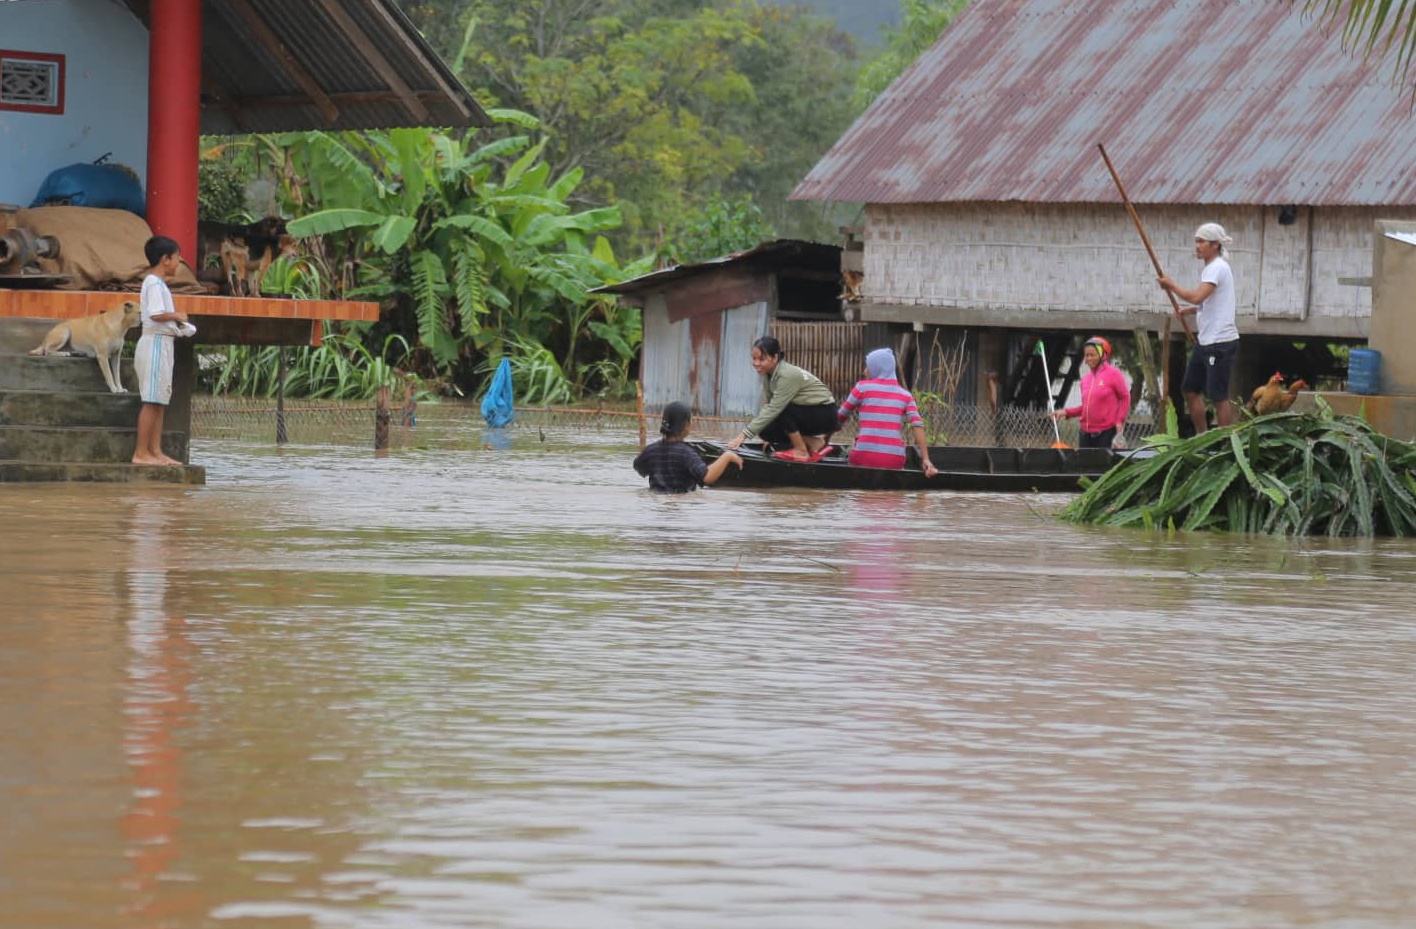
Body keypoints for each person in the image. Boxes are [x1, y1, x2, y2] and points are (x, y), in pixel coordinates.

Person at [1158, 223, 1239, 433]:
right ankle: (1202, 437)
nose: (1197, 246)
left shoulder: (1218, 267)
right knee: (1190, 389)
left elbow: (1197, 296)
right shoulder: (1210, 268)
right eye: (1196, 241)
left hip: (1220, 342)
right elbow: (1210, 302)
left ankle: (1223, 441)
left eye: (1201, 241)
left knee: (1218, 395)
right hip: (1206, 341)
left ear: (1214, 245)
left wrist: (1171, 286)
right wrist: (1190, 310)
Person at [132, 235, 195, 466]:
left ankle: (155, 451)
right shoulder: (153, 283)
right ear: (165, 259)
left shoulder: (158, 284)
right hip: (155, 343)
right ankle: (141, 453)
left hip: (163, 343)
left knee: (159, 399)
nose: (179, 261)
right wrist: (177, 316)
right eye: (177, 256)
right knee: (151, 400)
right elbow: (156, 314)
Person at [725, 336, 837, 462]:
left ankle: (801, 451)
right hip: (804, 411)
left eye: (761, 359)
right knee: (766, 430)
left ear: (775, 358)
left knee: (782, 409)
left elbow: (775, 408)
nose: (756, 363)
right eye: (754, 358)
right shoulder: (768, 374)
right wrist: (771, 438)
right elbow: (769, 405)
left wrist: (743, 436)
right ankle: (814, 442)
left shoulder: (787, 374)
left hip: (824, 413)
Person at [836, 348, 939, 476]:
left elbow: (839, 417)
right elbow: (917, 425)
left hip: (863, 455)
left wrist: (823, 440)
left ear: (876, 368)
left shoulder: (861, 388)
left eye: (868, 367)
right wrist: (926, 459)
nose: (864, 371)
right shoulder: (905, 395)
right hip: (893, 459)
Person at [633, 401, 742, 493]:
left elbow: (638, 467)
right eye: (691, 421)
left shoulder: (651, 450)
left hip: (656, 499)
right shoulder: (686, 453)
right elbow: (707, 477)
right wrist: (727, 456)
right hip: (682, 502)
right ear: (685, 425)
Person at [1049, 336, 1129, 449]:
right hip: (1085, 434)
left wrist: (1119, 420)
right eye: (1086, 355)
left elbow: (1125, 397)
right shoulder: (1085, 380)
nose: (1088, 358)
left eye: (1092, 355)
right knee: (1086, 466)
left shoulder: (1114, 374)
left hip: (1106, 433)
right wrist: (1065, 412)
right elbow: (1087, 407)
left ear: (1103, 355)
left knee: (1103, 466)